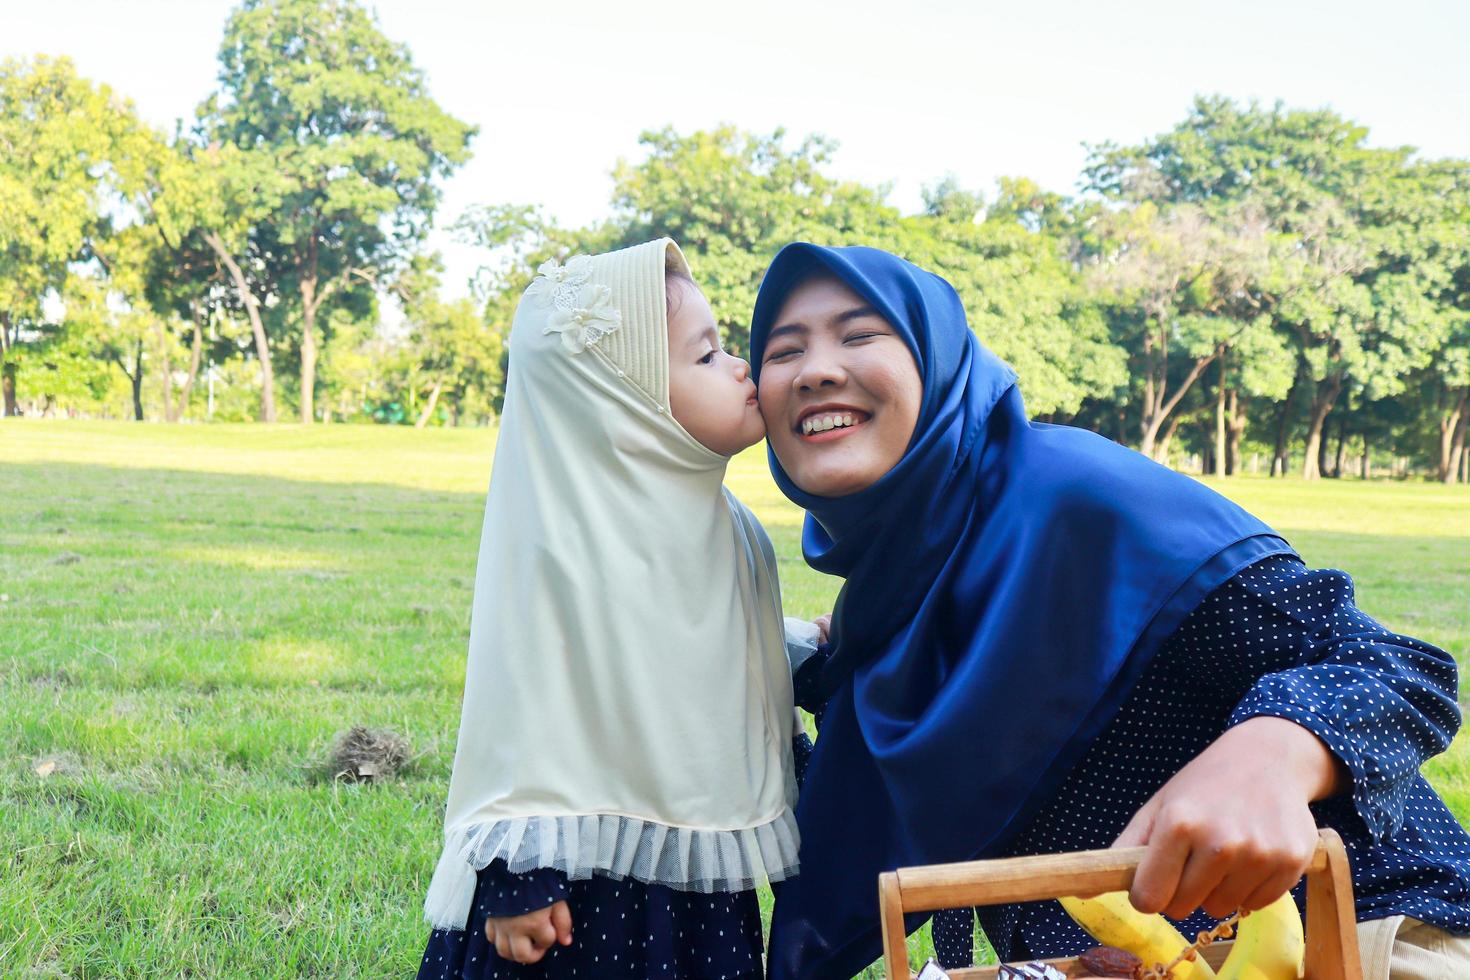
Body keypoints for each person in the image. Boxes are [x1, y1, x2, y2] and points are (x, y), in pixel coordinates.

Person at [750, 242, 1470, 980]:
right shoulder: (893, 602)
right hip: (1109, 966)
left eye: (861, 334)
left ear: (939, 363)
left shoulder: (1076, 499)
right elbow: (855, 805)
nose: (817, 369)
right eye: (782, 351)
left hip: (1361, 936)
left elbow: (1396, 668)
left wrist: (1275, 753)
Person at [417, 239, 807, 980]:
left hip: (699, 885)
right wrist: (518, 877)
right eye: (704, 358)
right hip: (575, 895)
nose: (739, 368)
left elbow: (693, 647)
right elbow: (525, 699)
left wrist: (800, 654)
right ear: (626, 412)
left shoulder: (733, 529)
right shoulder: (568, 551)